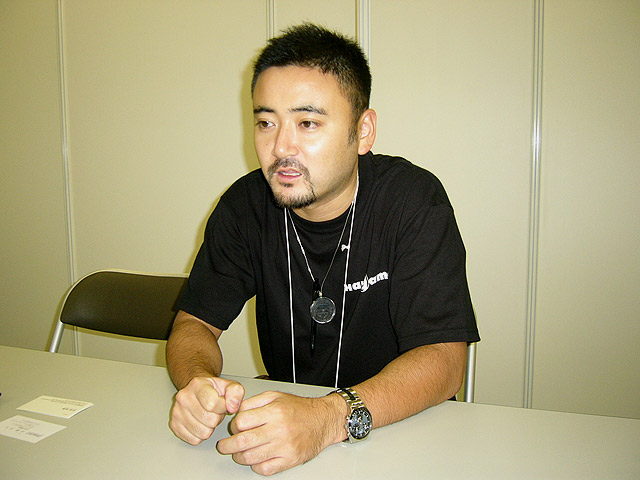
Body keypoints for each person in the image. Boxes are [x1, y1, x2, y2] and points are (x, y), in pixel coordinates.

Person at [167, 23, 480, 476]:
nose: (280, 147)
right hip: (291, 435)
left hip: (404, 431)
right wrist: (197, 384)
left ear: (363, 131)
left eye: (308, 123)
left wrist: (329, 418)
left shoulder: (412, 201)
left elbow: (445, 360)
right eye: (266, 122)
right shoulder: (245, 206)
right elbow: (194, 324)